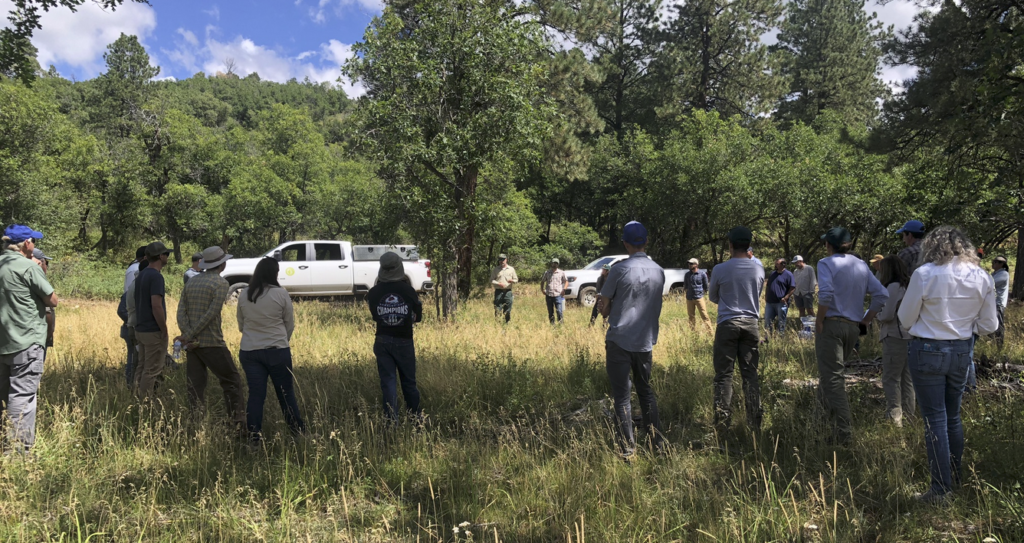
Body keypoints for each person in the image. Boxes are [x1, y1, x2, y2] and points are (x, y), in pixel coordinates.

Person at [897, 226, 998, 504]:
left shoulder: (925, 273)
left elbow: (905, 319)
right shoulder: (981, 276)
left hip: (927, 349)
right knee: (952, 417)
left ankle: (941, 490)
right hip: (961, 350)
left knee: (935, 421)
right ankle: (954, 478)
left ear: (932, 247)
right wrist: (965, 326)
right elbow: (990, 325)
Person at [815, 227, 888, 445]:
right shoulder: (861, 265)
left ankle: (844, 433)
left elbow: (826, 293)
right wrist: (866, 320)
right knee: (830, 375)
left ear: (829, 245)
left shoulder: (825, 263)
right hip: (852, 328)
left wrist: (819, 319)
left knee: (833, 378)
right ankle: (818, 422)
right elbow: (881, 294)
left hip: (832, 325)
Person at [598, 221, 665, 456]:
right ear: (646, 242)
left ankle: (628, 449)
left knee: (622, 397)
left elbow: (604, 309)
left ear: (625, 243)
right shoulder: (658, 270)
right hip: (645, 341)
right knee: (646, 391)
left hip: (619, 340)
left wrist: (605, 300)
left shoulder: (619, 269)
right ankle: (657, 443)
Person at [0, 225, 59, 453]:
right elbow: (52, 300)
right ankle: (17, 452)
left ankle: (6, 445)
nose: (34, 246)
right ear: (26, 243)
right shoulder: (28, 266)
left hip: (4, 341)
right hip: (26, 340)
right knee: (23, 396)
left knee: (4, 395)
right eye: (34, 241)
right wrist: (38, 271)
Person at [175, 246, 246, 432]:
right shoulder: (220, 284)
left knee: (195, 386)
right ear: (222, 264)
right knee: (232, 381)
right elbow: (211, 314)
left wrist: (187, 335)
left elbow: (181, 311)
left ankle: (195, 423)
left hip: (191, 345)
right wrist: (190, 335)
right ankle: (236, 423)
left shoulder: (192, 281)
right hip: (212, 342)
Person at [237, 257, 305, 442]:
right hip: (277, 350)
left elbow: (241, 325)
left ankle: (253, 438)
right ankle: (297, 434)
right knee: (285, 393)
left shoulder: (244, 293)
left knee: (256, 394)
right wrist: (281, 341)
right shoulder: (280, 294)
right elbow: (288, 325)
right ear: (275, 273)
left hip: (250, 350)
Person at [708, 226, 765, 433]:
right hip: (751, 323)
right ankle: (754, 425)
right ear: (748, 245)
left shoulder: (720, 269)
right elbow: (756, 293)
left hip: (727, 323)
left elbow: (713, 297)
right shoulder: (758, 268)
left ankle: (722, 424)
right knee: (750, 374)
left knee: (724, 375)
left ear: (730, 245)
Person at [367, 252, 424, 422]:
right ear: (400, 268)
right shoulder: (408, 291)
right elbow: (418, 316)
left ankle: (391, 421)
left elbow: (375, 316)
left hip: (382, 340)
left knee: (388, 384)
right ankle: (415, 419)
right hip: (404, 340)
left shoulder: (374, 292)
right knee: (409, 382)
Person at [875, 256, 915, 427]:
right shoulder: (910, 285)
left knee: (891, 379)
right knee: (908, 379)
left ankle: (894, 419)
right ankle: (910, 417)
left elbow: (887, 314)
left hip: (894, 336)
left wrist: (876, 314)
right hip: (911, 337)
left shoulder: (893, 287)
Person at [134, 241, 171, 402]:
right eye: (166, 254)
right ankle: (145, 403)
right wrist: (163, 329)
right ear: (161, 256)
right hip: (152, 330)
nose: (167, 257)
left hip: (140, 328)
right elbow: (156, 305)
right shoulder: (156, 276)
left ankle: (135, 399)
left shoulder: (142, 274)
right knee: (152, 370)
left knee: (141, 367)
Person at [764, 258, 796, 337]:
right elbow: (768, 286)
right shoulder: (772, 274)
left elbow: (792, 287)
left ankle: (780, 338)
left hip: (781, 303)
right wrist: (766, 295)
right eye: (776, 264)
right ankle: (768, 337)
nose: (776, 265)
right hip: (770, 302)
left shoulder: (788, 274)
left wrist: (786, 297)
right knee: (768, 320)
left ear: (783, 265)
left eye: (777, 264)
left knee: (781, 321)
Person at [31, 248, 55, 350]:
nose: (46, 266)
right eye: (46, 263)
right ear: (39, 262)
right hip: (37, 338)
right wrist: (48, 336)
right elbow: (50, 308)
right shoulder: (36, 279)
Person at [684, 258, 713, 333]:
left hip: (699, 297)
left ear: (696, 264)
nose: (689, 265)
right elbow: (686, 286)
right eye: (689, 264)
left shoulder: (702, 274)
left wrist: (702, 293)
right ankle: (693, 333)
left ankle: (710, 333)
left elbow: (706, 286)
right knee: (691, 317)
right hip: (689, 298)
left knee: (704, 316)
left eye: (691, 264)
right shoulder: (687, 275)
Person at [490, 254, 518, 323]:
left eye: (503, 260)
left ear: (506, 260)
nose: (501, 261)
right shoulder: (496, 269)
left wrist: (512, 281)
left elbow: (516, 279)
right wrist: (498, 283)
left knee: (508, 309)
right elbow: (491, 280)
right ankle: (498, 324)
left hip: (508, 292)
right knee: (497, 309)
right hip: (498, 292)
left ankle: (506, 323)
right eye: (500, 260)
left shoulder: (511, 269)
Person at [540, 258, 568, 325]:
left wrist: (564, 290)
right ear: (551, 263)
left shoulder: (561, 272)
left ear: (558, 264)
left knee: (559, 311)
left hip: (558, 295)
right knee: (550, 311)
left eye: (556, 263)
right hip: (549, 295)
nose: (554, 264)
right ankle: (552, 325)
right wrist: (542, 289)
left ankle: (561, 324)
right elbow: (542, 281)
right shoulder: (547, 272)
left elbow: (566, 281)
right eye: (553, 263)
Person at [992, 256, 1010, 347]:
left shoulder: (1003, 273)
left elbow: (990, 283)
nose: (993, 263)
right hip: (992, 304)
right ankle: (993, 345)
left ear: (1002, 264)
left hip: (998, 304)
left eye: (996, 262)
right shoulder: (994, 273)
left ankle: (999, 348)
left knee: (998, 327)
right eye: (993, 261)